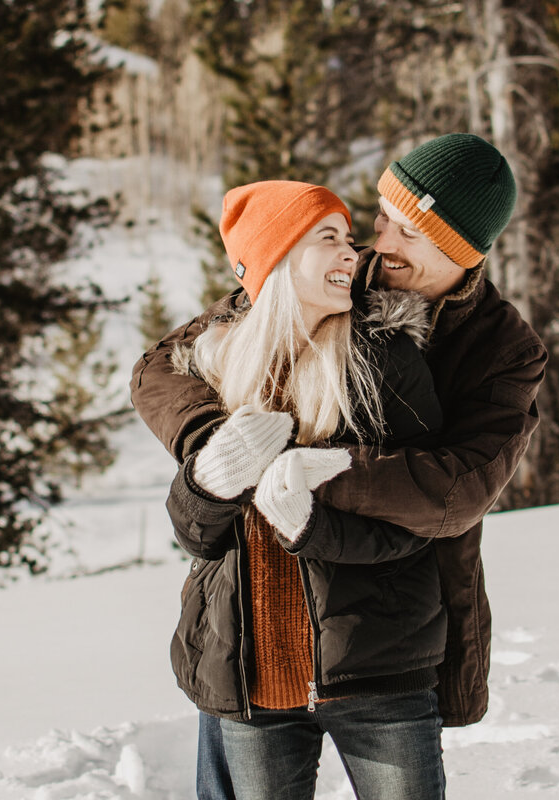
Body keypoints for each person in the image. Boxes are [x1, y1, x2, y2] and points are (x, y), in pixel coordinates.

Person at [131, 133, 548, 798]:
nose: (379, 245)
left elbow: (457, 491)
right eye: (382, 220)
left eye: (408, 233)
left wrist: (323, 472)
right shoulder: (335, 270)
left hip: (389, 614)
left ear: (459, 251)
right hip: (257, 609)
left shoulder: (502, 348)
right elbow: (166, 364)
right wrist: (224, 451)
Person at [157, 179, 453, 799]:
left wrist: (312, 528)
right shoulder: (212, 369)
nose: (353, 254)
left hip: (377, 671)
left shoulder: (386, 361)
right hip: (252, 678)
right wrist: (209, 482)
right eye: (329, 239)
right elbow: (196, 538)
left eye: (349, 239)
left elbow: (417, 523)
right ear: (278, 256)